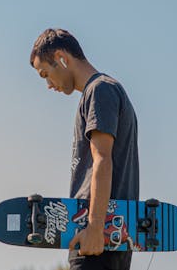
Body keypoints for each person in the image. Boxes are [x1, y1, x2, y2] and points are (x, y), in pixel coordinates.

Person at [29, 28, 139, 270]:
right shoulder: (105, 90)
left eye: (45, 74)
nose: (48, 84)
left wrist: (95, 227)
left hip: (96, 241)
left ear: (61, 58)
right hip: (110, 241)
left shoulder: (100, 90)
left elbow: (102, 159)